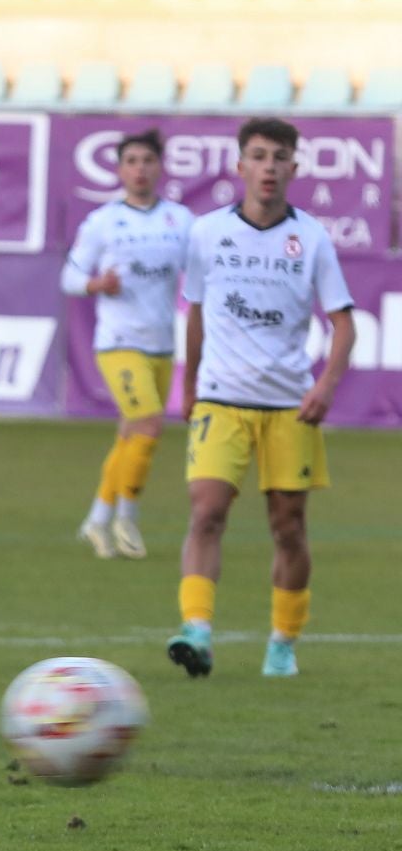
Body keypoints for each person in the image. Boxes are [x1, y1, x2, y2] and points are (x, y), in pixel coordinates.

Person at [167, 117, 356, 680]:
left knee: (288, 527)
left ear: (294, 168)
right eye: (258, 156)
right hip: (221, 400)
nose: (269, 167)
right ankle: (196, 629)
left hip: (288, 406)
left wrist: (325, 387)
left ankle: (282, 643)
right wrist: (191, 382)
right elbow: (196, 312)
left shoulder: (313, 239)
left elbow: (343, 325)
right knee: (206, 509)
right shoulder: (206, 233)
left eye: (279, 157)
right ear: (239, 165)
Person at [60, 129, 193, 560]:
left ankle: (96, 519)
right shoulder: (102, 222)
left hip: (160, 343)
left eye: (147, 160)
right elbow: (69, 277)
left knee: (130, 433)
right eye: (132, 161)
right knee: (151, 425)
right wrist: (98, 283)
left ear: (160, 167)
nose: (140, 168)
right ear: (119, 170)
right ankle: (127, 517)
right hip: (118, 342)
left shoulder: (179, 221)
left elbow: (201, 270)